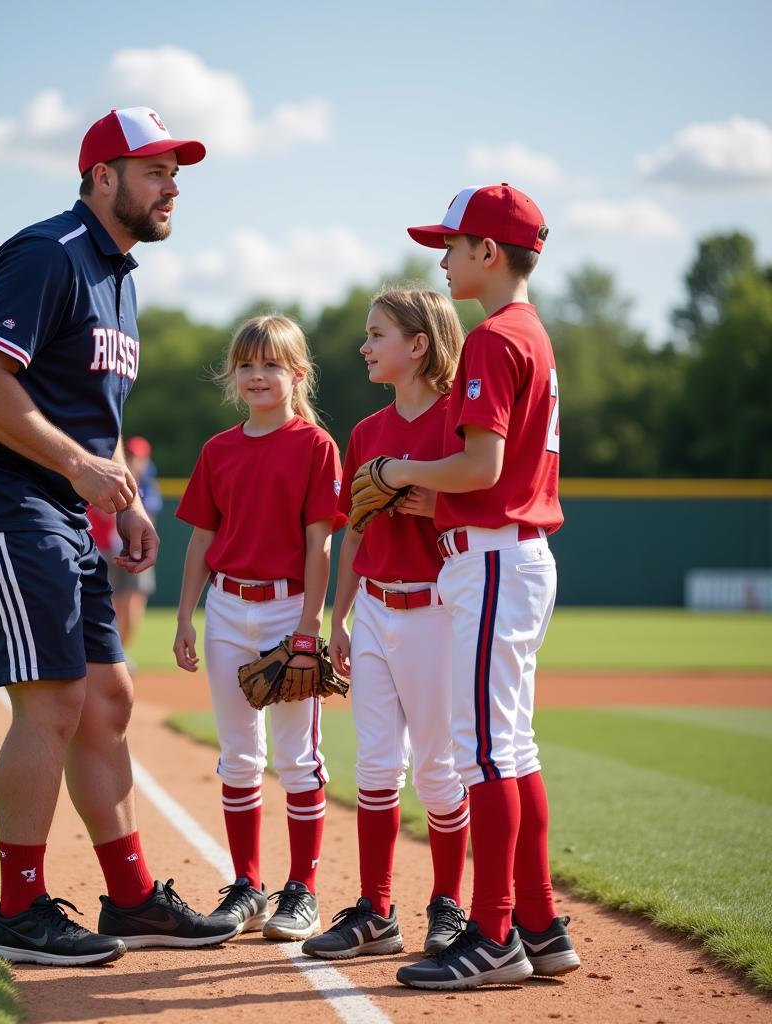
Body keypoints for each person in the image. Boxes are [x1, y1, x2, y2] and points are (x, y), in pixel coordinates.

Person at [0, 106, 236, 968]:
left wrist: (117, 495)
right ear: (102, 177)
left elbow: (85, 411)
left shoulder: (120, 276)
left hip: (57, 504)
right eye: (156, 170)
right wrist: (78, 469)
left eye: (177, 174)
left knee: (109, 700)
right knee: (53, 700)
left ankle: (129, 899)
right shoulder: (48, 254)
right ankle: (18, 913)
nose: (172, 188)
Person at [371, 185, 579, 990]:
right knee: (512, 749)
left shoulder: (493, 338)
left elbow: (481, 467)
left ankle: (492, 934)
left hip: (492, 556)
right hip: (507, 549)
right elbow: (491, 475)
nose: (444, 257)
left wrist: (397, 470)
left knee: (486, 753)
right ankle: (538, 921)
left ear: (489, 253)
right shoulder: (532, 333)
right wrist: (440, 491)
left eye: (453, 245)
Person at [301, 288, 470, 961]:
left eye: (378, 335)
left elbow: (484, 507)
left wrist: (431, 503)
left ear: (419, 344)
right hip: (373, 609)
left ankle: (448, 904)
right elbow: (356, 535)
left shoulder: (461, 421)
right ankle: (377, 909)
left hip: (437, 611)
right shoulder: (368, 434)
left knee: (437, 769)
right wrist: (338, 619)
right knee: (373, 763)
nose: (366, 347)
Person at [173, 314, 346, 943]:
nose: (256, 376)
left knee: (298, 757)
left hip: (286, 608)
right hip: (225, 609)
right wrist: (187, 615)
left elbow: (319, 547)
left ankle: (301, 890)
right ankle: (247, 886)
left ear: (297, 374)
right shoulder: (218, 449)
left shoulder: (314, 445)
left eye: (270, 364)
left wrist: (308, 630)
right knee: (239, 756)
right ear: (233, 376)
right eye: (245, 365)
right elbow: (200, 540)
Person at [107, 435, 161, 650]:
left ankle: (122, 650)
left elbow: (149, 518)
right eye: (130, 456)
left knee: (134, 603)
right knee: (112, 604)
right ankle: (113, 651)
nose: (134, 462)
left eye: (139, 458)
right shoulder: (111, 479)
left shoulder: (148, 487)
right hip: (107, 550)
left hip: (136, 550)